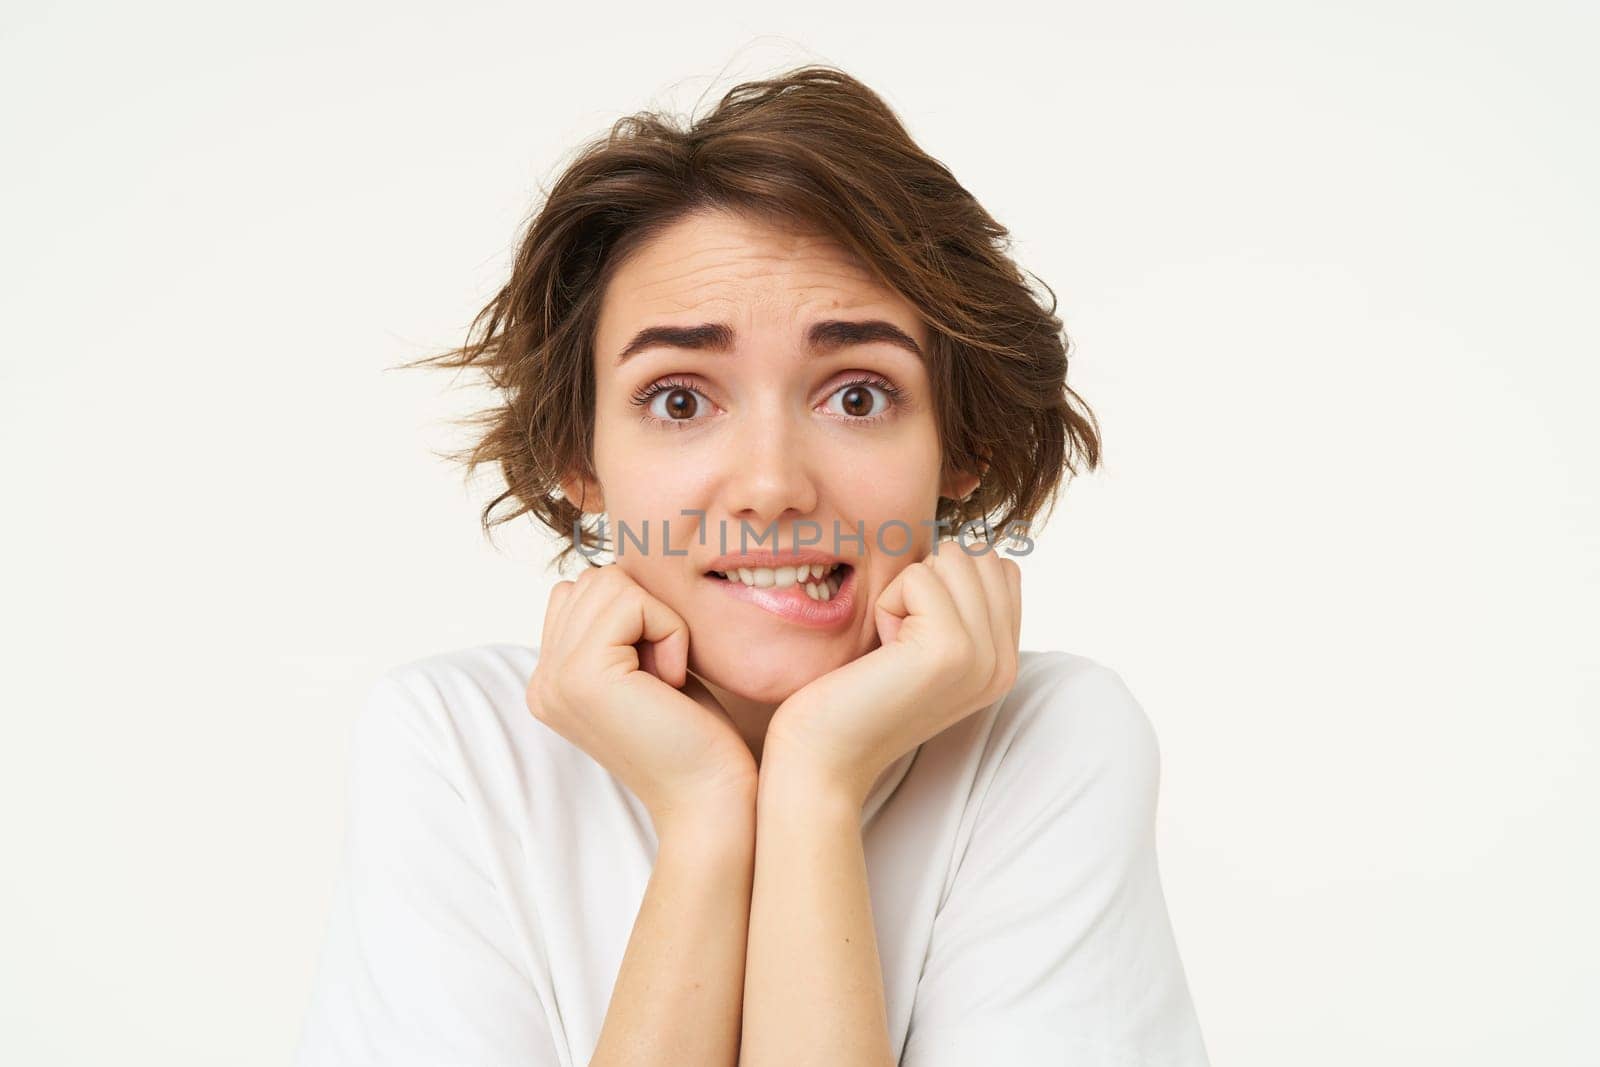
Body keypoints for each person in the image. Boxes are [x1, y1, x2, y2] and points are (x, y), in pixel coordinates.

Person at [295, 65, 1211, 1067]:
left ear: (962, 443)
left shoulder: (1046, 738)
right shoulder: (460, 747)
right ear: (577, 455)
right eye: (680, 400)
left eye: (857, 395)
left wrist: (814, 782)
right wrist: (703, 815)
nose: (771, 486)